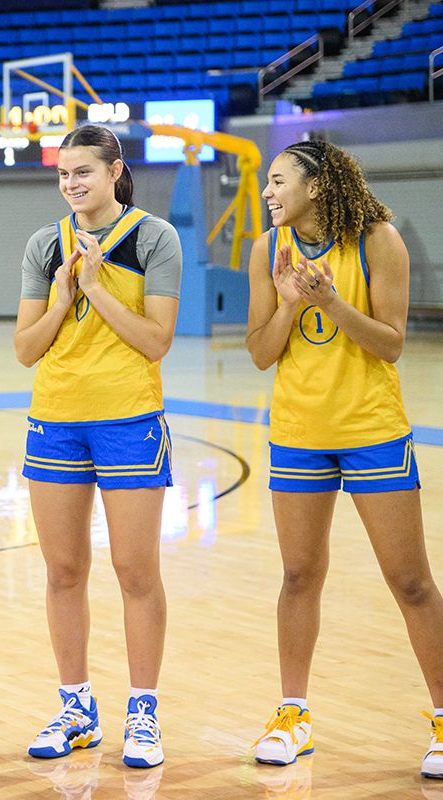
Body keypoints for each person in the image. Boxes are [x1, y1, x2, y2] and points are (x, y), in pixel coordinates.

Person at [245, 139, 443, 778]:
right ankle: (293, 715)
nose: (268, 192)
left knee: (410, 581)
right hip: (298, 433)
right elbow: (260, 352)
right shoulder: (266, 250)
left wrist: (331, 302)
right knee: (298, 576)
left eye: (279, 181)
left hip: (371, 430)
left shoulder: (379, 241)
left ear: (316, 185)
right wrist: (292, 302)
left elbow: (391, 344)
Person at [14, 124, 182, 770]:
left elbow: (156, 341)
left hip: (129, 419)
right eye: (63, 174)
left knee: (136, 572)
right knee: (63, 572)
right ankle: (77, 708)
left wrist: (97, 287)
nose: (71, 184)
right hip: (56, 419)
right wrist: (63, 297)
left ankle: (143, 710)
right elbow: (26, 348)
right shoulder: (44, 243)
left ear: (115, 171)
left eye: (82, 171)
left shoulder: (154, 237)